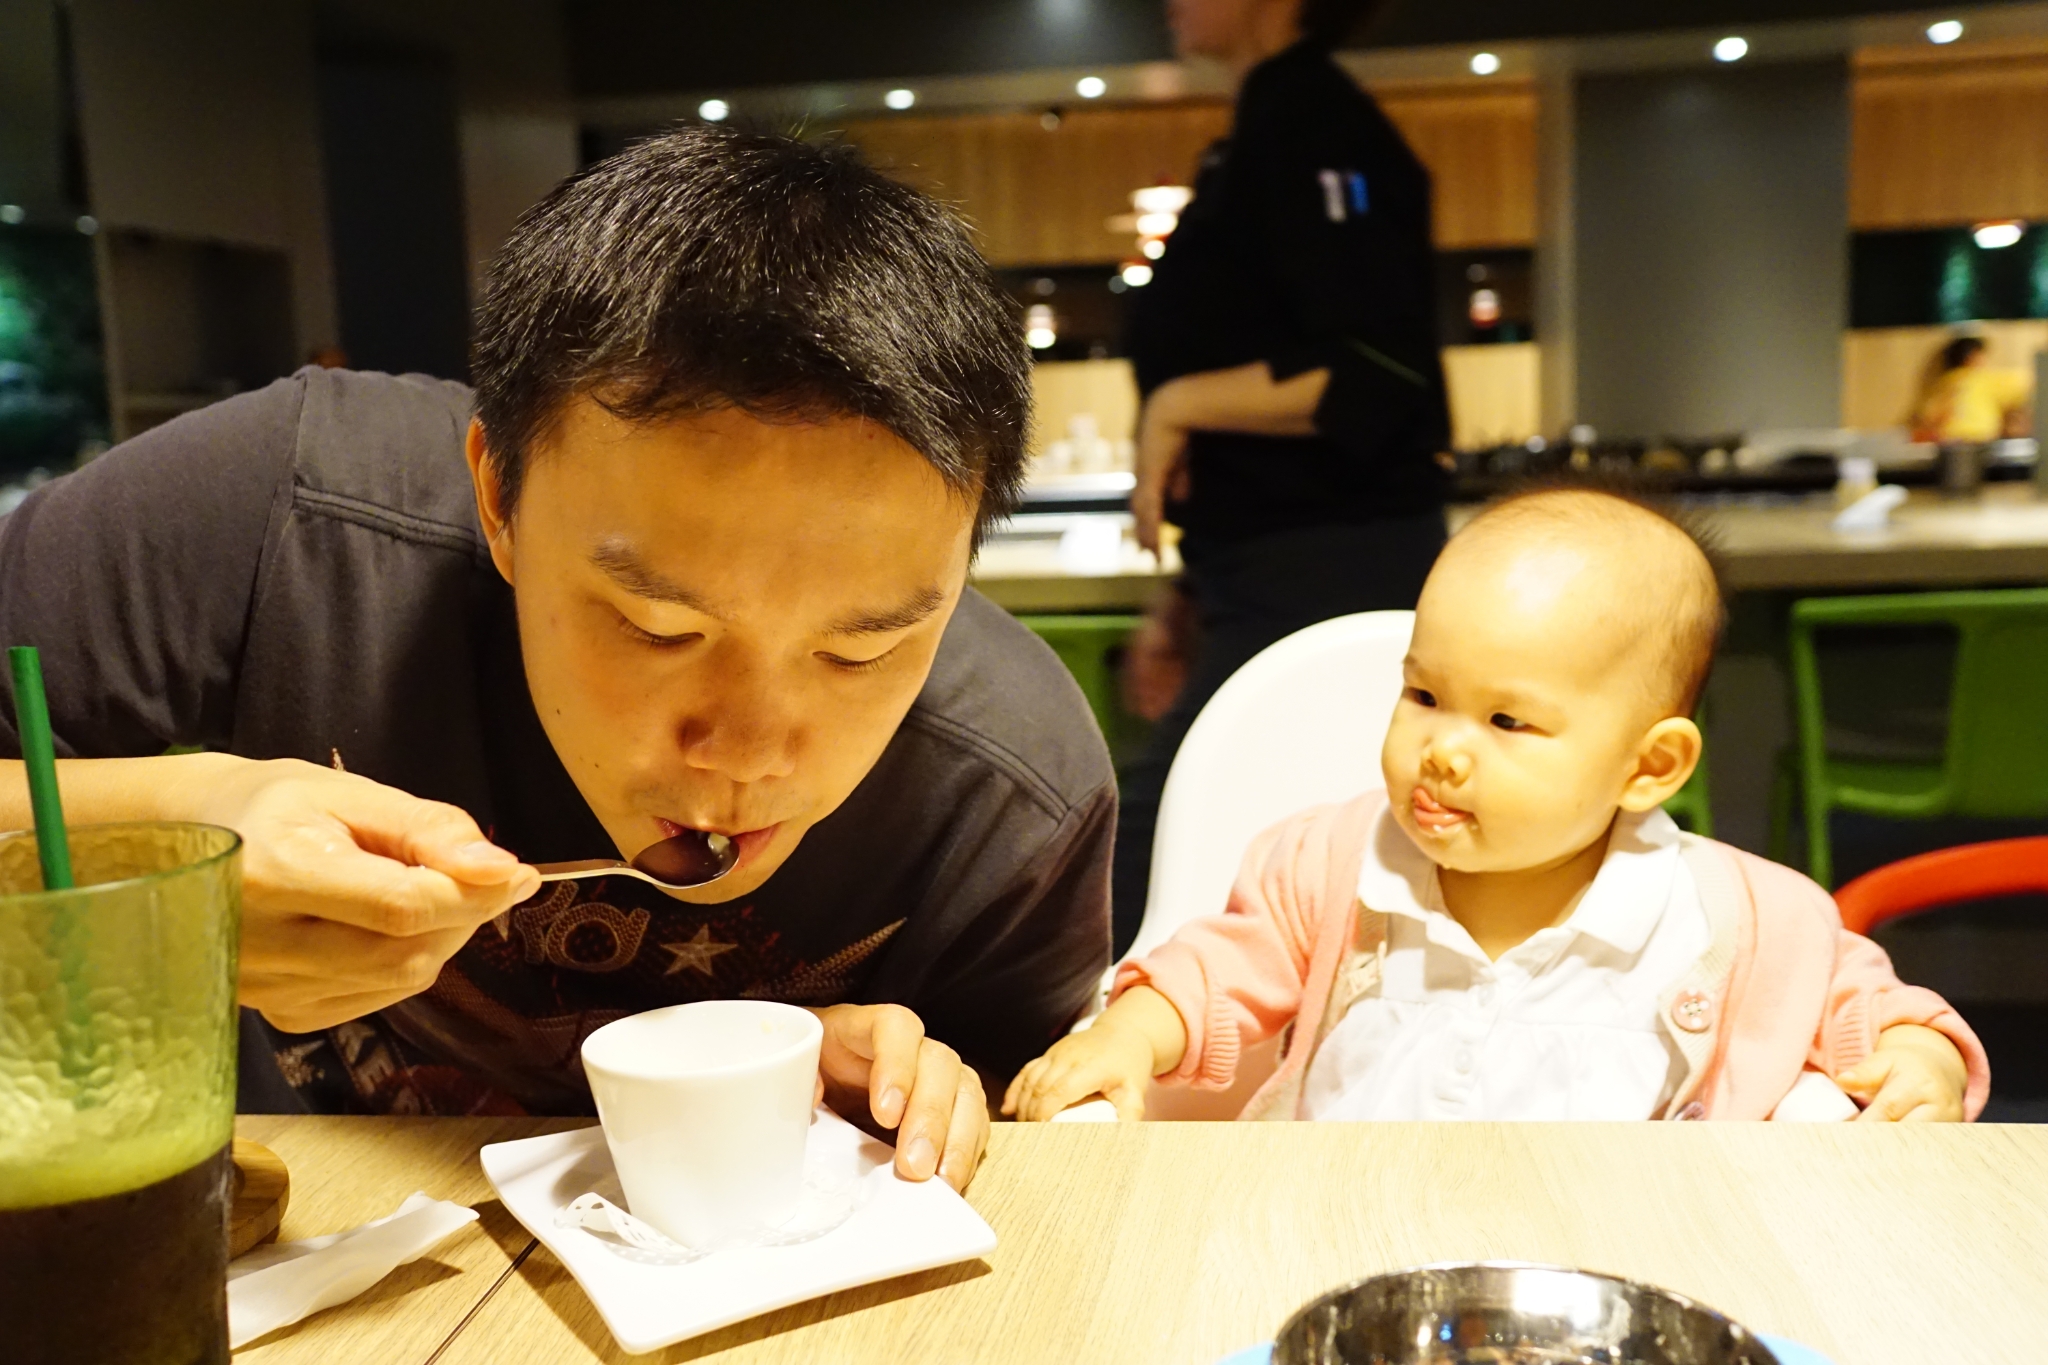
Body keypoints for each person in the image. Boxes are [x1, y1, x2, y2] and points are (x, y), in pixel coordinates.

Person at [0, 126, 1122, 1190]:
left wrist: (857, 1112)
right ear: (498, 494)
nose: (746, 754)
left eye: (861, 650)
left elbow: (1020, 1175)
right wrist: (157, 865)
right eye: (659, 628)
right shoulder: (288, 518)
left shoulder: (1012, 796)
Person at [1006, 488, 1989, 1123]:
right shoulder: (1328, 866)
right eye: (1423, 694)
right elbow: (1210, 970)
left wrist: (1920, 1061)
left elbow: (1874, 1011)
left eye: (1507, 721)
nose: (1442, 749)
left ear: (1648, 766)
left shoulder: (1743, 919)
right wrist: (1126, 1037)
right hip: (1337, 1247)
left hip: (1616, 1280)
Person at [1114, 0, 1451, 955]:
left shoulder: (1318, 126)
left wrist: (1176, 405)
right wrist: (1189, 596)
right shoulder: (1272, 127)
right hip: (1272, 568)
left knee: (1157, 850)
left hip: (1331, 566)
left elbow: (1375, 371)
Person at [1910, 335, 2031, 443]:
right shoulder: (1982, 378)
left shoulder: (1944, 383)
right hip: (1978, 438)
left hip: (1947, 440)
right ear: (1972, 356)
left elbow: (1927, 416)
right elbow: (2027, 384)